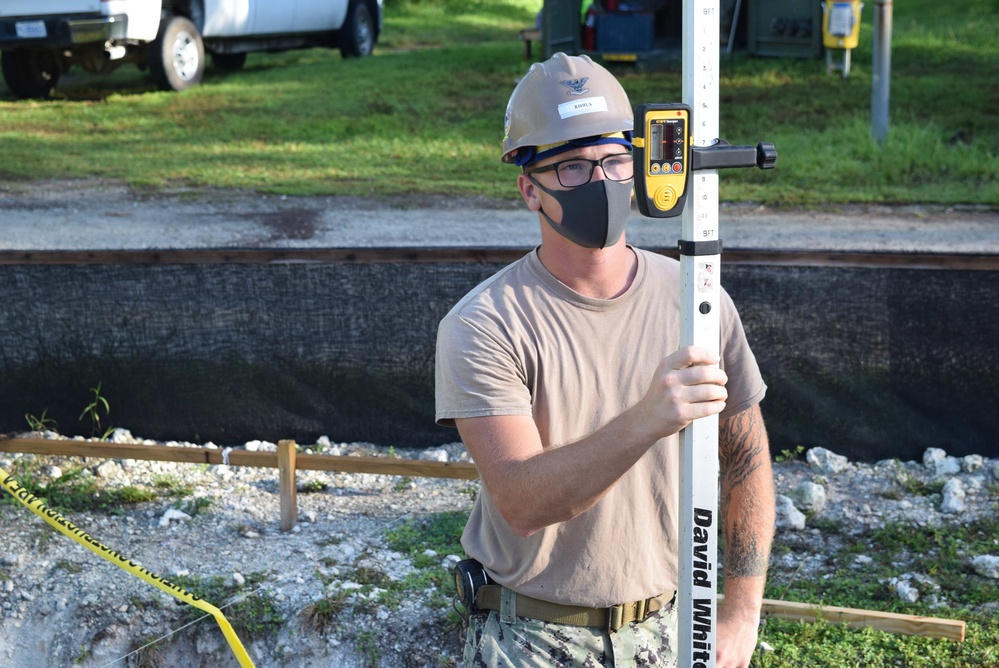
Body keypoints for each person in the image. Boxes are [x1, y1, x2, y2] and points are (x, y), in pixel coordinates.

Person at [435, 52, 775, 668]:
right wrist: (645, 419)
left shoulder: (697, 301)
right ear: (527, 188)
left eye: (616, 160)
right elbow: (521, 500)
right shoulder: (484, 324)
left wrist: (741, 611)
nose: (600, 181)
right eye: (571, 167)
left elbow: (746, 459)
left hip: (673, 627)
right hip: (533, 638)